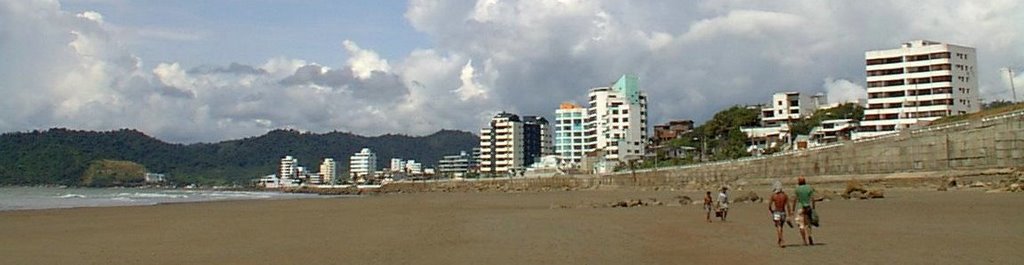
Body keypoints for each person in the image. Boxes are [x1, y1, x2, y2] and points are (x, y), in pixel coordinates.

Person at [791, 176, 816, 246]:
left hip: (800, 207)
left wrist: (793, 209)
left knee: (801, 225)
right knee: (808, 224)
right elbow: (813, 199)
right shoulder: (809, 188)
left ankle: (804, 241)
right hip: (808, 207)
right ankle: (809, 236)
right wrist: (813, 208)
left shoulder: (797, 189)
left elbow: (795, 200)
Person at [769, 181, 790, 248]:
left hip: (776, 212)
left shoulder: (774, 196)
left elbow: (769, 206)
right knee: (781, 226)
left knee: (778, 226)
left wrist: (772, 211)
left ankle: (781, 240)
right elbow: (788, 205)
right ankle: (779, 239)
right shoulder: (785, 195)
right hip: (783, 212)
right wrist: (789, 214)